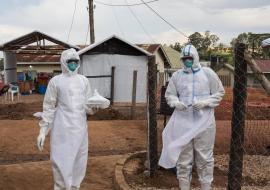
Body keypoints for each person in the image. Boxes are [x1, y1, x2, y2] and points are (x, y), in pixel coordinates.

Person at [159, 44, 225, 190]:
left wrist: (206, 102)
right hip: (183, 121)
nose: (188, 60)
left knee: (205, 158)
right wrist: (176, 102)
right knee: (184, 159)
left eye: (190, 58)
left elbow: (219, 92)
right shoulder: (177, 76)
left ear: (195, 57)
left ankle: (206, 187)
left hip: (205, 121)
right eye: (185, 58)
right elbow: (169, 94)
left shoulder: (208, 73)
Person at [37, 48, 102, 190]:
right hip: (62, 127)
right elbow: (49, 106)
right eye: (70, 61)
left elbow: (87, 106)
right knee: (61, 159)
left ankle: (74, 187)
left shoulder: (83, 80)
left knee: (79, 159)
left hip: (80, 127)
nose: (73, 64)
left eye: (75, 61)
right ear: (63, 62)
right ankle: (60, 187)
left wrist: (94, 108)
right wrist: (43, 130)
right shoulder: (56, 81)